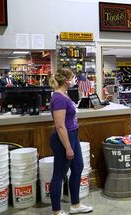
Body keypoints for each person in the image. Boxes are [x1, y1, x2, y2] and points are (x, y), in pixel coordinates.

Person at [49, 68, 93, 215]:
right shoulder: (58, 98)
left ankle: (75, 205)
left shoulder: (64, 95)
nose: (75, 79)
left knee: (78, 168)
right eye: (73, 77)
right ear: (67, 80)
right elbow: (60, 126)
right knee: (59, 175)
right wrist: (68, 147)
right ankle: (56, 210)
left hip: (73, 135)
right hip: (63, 139)